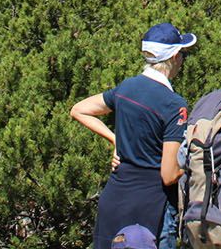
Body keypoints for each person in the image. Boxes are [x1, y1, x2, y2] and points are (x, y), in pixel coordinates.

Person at [71, 23, 196, 249]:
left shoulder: (127, 88)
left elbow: (79, 109)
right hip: (150, 208)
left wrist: (115, 139)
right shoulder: (174, 104)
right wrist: (193, 160)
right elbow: (169, 175)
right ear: (175, 56)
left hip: (114, 199)